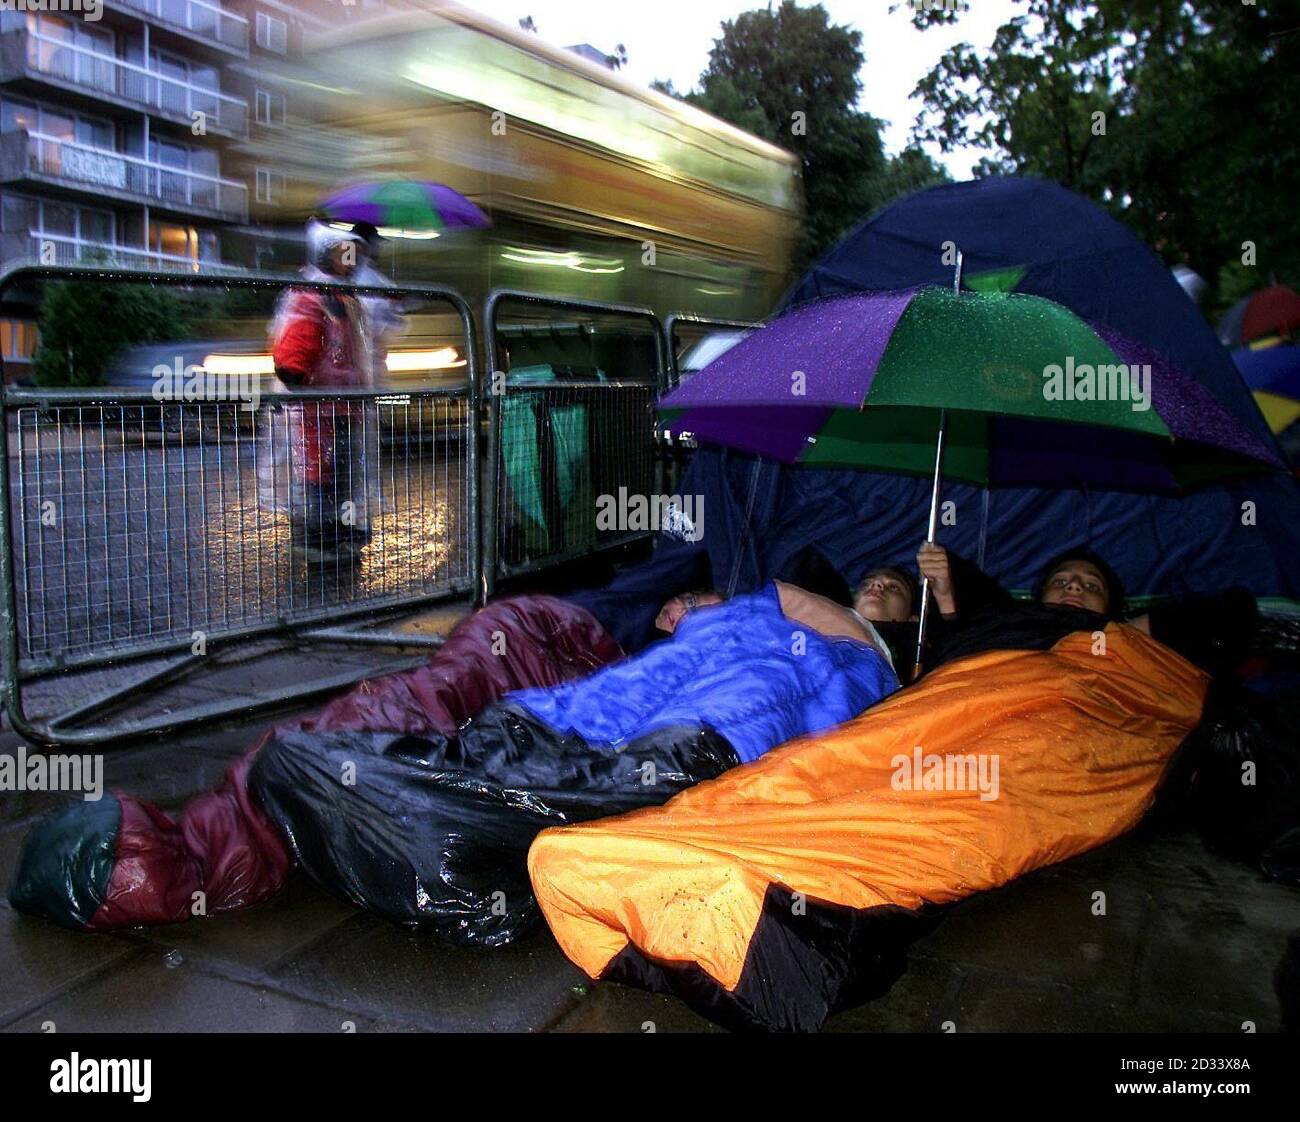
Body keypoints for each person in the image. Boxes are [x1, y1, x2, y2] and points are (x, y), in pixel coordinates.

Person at [271, 219, 375, 563]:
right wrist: (295, 375)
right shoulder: (315, 293)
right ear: (328, 253)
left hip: (342, 405)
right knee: (319, 472)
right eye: (346, 252)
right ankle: (314, 535)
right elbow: (297, 341)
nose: (353, 259)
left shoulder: (339, 293)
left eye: (356, 253)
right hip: (319, 407)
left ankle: (335, 527)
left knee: (341, 470)